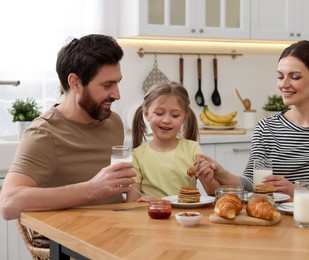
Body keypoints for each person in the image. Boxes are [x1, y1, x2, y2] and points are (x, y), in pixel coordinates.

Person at [197, 40, 309, 207]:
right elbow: (251, 186)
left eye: (295, 77)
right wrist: (220, 172)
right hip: (274, 220)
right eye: (280, 76)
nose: (283, 84)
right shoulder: (266, 128)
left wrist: (295, 191)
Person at [0, 34, 136, 220]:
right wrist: (91, 189)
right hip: (67, 242)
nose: (117, 95)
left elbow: (116, 190)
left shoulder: (114, 123)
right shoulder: (43, 134)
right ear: (75, 83)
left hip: (115, 229)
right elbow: (8, 204)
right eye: (107, 85)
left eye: (117, 83)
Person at [128, 81, 216, 201]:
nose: (166, 120)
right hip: (152, 216)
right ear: (146, 114)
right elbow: (132, 203)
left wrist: (209, 178)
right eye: (159, 113)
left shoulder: (192, 149)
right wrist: (143, 203)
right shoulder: (137, 155)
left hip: (186, 216)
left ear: (184, 117)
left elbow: (213, 193)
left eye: (175, 115)